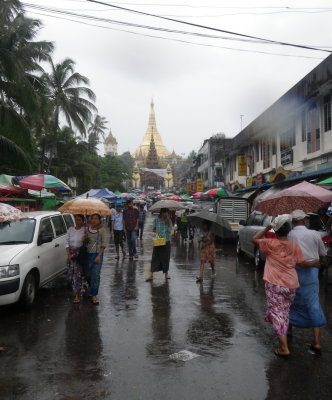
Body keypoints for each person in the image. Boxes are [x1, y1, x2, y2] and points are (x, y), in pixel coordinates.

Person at [252, 214, 320, 358]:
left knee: (277, 314)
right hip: (291, 285)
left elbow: (254, 239)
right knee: (284, 311)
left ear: (276, 231)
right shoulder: (294, 246)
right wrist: (314, 263)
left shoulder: (270, 243)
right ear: (289, 230)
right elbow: (302, 264)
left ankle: (284, 348)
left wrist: (268, 226)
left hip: (274, 284)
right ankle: (285, 335)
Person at [288, 209, 327, 354]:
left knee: (291, 301)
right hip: (311, 273)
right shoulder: (314, 234)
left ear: (293, 221)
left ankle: (288, 331)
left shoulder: (290, 235)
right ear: (304, 220)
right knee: (312, 303)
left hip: (293, 272)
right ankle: (316, 342)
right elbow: (323, 253)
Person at [85, 213, 107, 304]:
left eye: (96, 219)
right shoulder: (87, 229)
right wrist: (85, 239)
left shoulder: (102, 230)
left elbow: (104, 244)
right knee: (87, 274)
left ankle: (94, 295)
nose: (93, 220)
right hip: (87, 255)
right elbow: (86, 242)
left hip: (97, 255)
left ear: (99, 220)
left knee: (95, 275)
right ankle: (90, 288)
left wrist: (98, 256)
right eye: (92, 218)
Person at [146, 208, 173, 281]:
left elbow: (171, 230)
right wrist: (156, 231)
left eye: (167, 213)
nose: (167, 214)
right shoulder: (156, 220)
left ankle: (166, 274)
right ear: (162, 213)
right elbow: (153, 229)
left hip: (167, 241)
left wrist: (171, 231)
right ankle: (151, 275)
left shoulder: (169, 221)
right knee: (155, 257)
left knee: (166, 258)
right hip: (158, 241)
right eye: (165, 213)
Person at [66, 214, 85, 303]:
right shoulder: (70, 229)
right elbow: (66, 243)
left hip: (80, 255)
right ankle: (77, 290)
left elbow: (87, 243)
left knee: (77, 275)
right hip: (71, 254)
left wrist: (86, 238)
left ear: (83, 221)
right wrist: (69, 254)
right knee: (71, 275)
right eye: (76, 220)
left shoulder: (85, 230)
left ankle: (77, 295)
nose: (78, 222)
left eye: (80, 220)